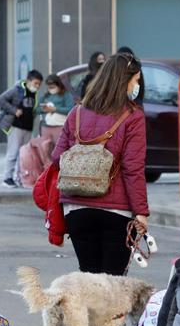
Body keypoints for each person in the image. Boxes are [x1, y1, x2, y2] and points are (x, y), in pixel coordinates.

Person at [50, 52, 149, 275]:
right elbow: (132, 168)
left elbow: (57, 157)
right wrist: (141, 212)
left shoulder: (76, 112)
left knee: (89, 281)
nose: (137, 86)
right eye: (135, 81)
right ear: (124, 81)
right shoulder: (132, 116)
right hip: (116, 210)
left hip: (75, 208)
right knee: (112, 287)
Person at [0, 69, 43, 187]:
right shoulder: (16, 90)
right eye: (35, 83)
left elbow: (33, 110)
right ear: (28, 81)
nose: (37, 86)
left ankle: (20, 178)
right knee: (13, 152)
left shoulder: (34, 94)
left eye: (39, 84)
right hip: (16, 126)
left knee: (23, 154)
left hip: (28, 127)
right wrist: (14, 110)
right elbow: (1, 99)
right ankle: (7, 178)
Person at [37, 74, 74, 146]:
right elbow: (37, 110)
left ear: (59, 85)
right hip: (46, 127)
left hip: (60, 127)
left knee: (60, 147)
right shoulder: (45, 96)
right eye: (49, 87)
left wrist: (55, 109)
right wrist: (44, 110)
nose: (51, 89)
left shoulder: (66, 95)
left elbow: (70, 110)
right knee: (46, 149)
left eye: (53, 87)